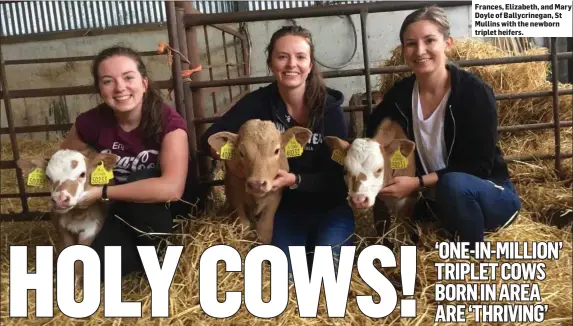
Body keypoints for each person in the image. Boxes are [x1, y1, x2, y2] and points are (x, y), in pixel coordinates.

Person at [200, 25, 355, 274]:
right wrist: (237, 162)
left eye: (300, 57)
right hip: (286, 208)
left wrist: (294, 179)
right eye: (282, 57)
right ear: (271, 62)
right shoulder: (258, 103)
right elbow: (210, 139)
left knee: (329, 272)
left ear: (311, 64)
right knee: (288, 277)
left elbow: (339, 176)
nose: (291, 64)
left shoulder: (329, 110)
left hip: (330, 206)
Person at [364, 5, 521, 249]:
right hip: (435, 202)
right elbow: (371, 138)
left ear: (448, 44)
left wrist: (416, 183)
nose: (420, 51)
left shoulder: (474, 93)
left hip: (488, 197)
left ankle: (471, 258)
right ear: (403, 50)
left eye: (429, 40)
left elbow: (478, 166)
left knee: (453, 184)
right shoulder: (399, 96)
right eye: (410, 44)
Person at [60, 45, 192, 280]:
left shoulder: (169, 123)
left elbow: (172, 188)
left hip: (163, 211)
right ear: (100, 89)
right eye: (108, 81)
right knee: (102, 268)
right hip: (119, 210)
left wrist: (103, 192)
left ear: (144, 82)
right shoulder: (91, 122)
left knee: (143, 178)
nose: (120, 88)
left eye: (128, 77)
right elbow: (64, 159)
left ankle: (165, 258)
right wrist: (92, 160)